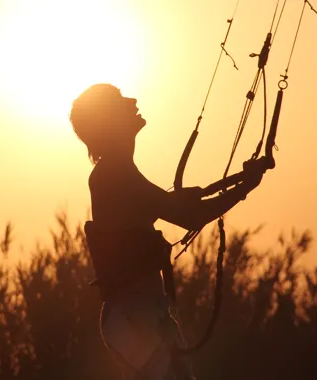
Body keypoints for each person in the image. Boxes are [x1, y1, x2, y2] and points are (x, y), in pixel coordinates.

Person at [69, 83, 265, 380]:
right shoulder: (114, 174)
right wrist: (246, 186)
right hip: (133, 317)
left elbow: (173, 205)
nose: (132, 100)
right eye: (120, 100)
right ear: (108, 121)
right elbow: (189, 215)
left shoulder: (118, 171)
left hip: (140, 316)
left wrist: (240, 184)